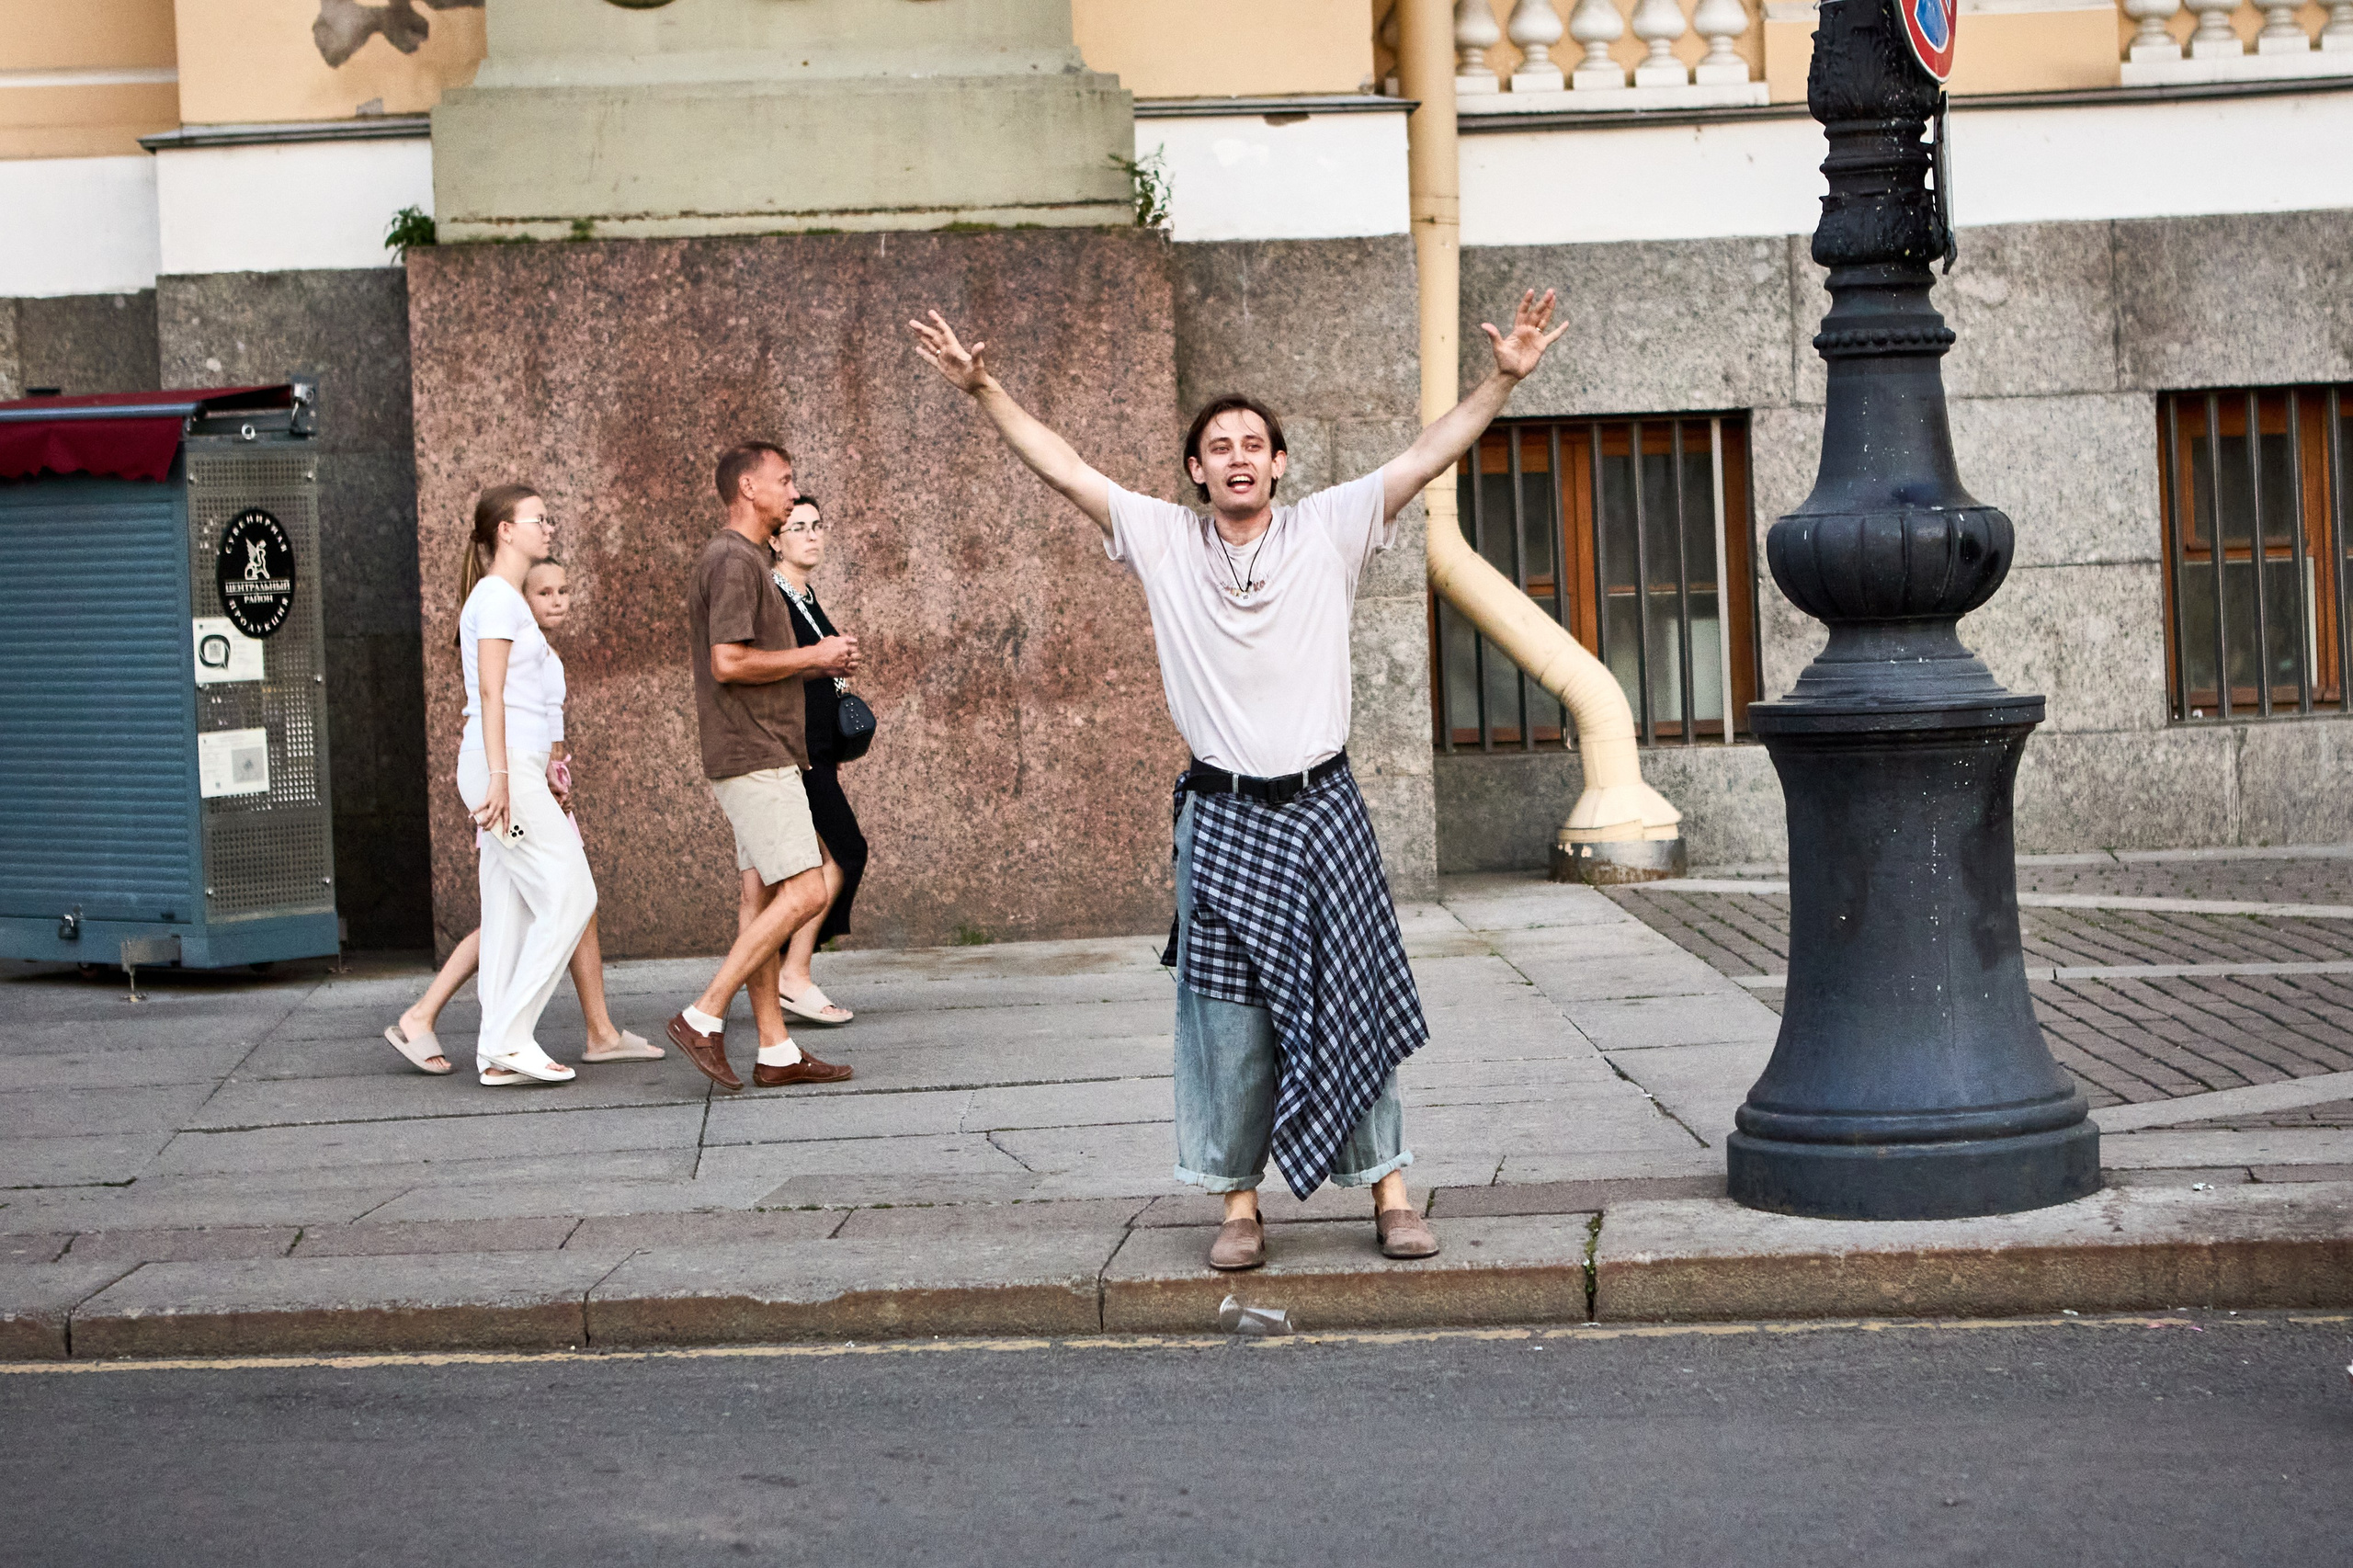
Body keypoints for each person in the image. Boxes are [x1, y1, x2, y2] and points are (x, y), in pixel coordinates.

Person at [909, 290, 1571, 1270]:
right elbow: (1067, 469)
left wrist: (1503, 380)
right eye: (1217, 444)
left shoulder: (1331, 526)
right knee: (1226, 1021)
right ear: (1194, 469)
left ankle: (1388, 1187)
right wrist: (984, 390)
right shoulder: (1163, 539)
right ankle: (1238, 1205)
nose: (1237, 455)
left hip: (1322, 807)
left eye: (1252, 441)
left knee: (1352, 1000)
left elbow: (1430, 454)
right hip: (1220, 817)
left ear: (1281, 461)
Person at [383, 558, 662, 1074]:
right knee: (547, 903)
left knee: (527, 907)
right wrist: (512, 780)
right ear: (522, 602)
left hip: (537, 789)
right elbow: (495, 704)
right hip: (516, 794)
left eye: (564, 591)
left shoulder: (542, 652)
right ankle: (439, 1020)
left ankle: (548, 1038)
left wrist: (556, 777)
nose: (557, 601)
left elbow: (546, 728)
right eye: (545, 593)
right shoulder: (508, 626)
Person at [665, 442, 859, 1092]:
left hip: (758, 750)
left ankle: (775, 1049)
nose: (793, 490)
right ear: (749, 487)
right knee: (806, 890)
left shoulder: (744, 559)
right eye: (785, 480)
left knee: (764, 900)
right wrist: (815, 658)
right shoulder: (731, 560)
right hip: (753, 754)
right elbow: (729, 662)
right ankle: (703, 1014)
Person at [443, 483, 602, 1085]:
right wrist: (504, 778)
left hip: (508, 768)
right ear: (505, 531)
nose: (549, 527)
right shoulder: (496, 598)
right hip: (500, 769)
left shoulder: (504, 598)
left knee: (507, 911)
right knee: (572, 895)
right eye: (539, 519)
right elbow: (490, 692)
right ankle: (511, 1035)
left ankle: (493, 1051)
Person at [767, 493, 867, 1027]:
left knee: (801, 868)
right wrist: (822, 662)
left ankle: (782, 967)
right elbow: (769, 668)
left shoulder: (804, 595)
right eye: (798, 526)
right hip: (797, 749)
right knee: (845, 852)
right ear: (775, 540)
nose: (812, 534)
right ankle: (792, 973)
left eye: (818, 525)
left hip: (820, 748)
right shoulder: (776, 595)